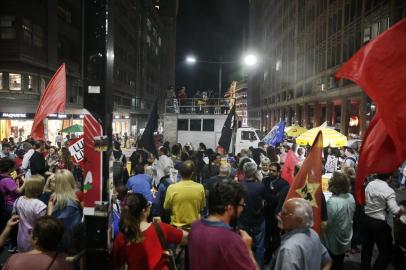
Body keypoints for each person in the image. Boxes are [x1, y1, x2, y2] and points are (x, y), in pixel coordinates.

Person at [188, 180, 258, 270]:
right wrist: (248, 250)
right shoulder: (232, 240)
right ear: (230, 209)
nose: (242, 209)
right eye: (242, 205)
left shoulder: (195, 227)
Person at [111, 193, 187, 270]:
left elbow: (119, 266)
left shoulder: (122, 237)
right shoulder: (161, 228)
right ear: (144, 211)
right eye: (149, 205)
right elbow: (188, 238)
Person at [361, 173, 406, 270]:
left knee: (366, 248)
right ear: (389, 178)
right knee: (386, 251)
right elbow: (395, 211)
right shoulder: (388, 190)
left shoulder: (370, 184)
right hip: (379, 223)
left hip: (366, 219)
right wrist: (402, 209)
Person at [274, 198, 332, 270]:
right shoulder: (313, 234)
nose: (279, 214)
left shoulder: (289, 249)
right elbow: (328, 262)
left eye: (284, 213)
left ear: (299, 220)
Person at [3, 216, 73, 270]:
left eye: (30, 231)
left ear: (36, 239)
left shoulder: (15, 260)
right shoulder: (65, 260)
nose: (29, 233)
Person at [238, 162, 273, 268]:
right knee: (259, 248)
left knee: (242, 247)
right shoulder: (260, 187)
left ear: (244, 172)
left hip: (243, 221)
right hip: (258, 220)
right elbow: (270, 199)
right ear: (255, 172)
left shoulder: (239, 186)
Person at [321, 172, 355, 270]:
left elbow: (326, 223)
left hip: (333, 241)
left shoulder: (332, 202)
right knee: (340, 262)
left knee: (331, 263)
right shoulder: (350, 197)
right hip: (346, 236)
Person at [48, 169, 83, 254]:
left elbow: (49, 219)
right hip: (71, 241)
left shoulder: (53, 197)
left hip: (56, 240)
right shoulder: (75, 197)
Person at [164, 160, 205, 231]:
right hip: (194, 228)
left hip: (176, 228)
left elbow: (166, 207)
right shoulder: (200, 187)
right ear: (192, 173)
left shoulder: (172, 188)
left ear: (179, 172)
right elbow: (201, 208)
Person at [261, 162, 289, 264]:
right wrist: (272, 196)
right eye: (270, 170)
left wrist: (268, 196)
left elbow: (278, 200)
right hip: (266, 213)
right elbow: (262, 195)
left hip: (277, 214)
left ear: (278, 172)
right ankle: (267, 256)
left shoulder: (284, 184)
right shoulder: (265, 180)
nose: (271, 172)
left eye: (273, 171)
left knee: (276, 237)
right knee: (266, 236)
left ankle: (276, 256)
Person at [13, 175, 47, 252]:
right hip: (35, 239)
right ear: (39, 188)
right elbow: (43, 225)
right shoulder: (40, 205)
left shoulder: (18, 199)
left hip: (21, 237)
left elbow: (14, 217)